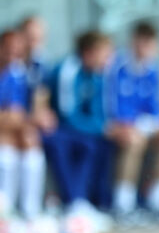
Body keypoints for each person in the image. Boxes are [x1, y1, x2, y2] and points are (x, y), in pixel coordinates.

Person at [107, 20, 159, 221]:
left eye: (150, 44)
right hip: (121, 125)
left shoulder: (154, 69)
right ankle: (123, 207)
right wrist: (129, 124)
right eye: (143, 43)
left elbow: (156, 107)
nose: (147, 48)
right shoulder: (118, 67)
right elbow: (114, 105)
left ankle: (158, 204)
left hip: (144, 124)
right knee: (134, 141)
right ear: (134, 42)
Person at [41, 30, 114, 212]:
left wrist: (105, 128)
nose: (108, 59)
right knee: (73, 144)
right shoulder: (68, 70)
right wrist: (103, 129)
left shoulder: (97, 74)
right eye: (104, 54)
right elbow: (67, 115)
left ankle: (99, 204)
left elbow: (97, 111)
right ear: (89, 52)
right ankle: (74, 202)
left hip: (82, 129)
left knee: (101, 145)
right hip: (60, 128)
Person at [0, 28, 46, 217]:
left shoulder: (19, 74)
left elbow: (22, 114)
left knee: (33, 156)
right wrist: (10, 122)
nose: (12, 53)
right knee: (5, 158)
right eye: (8, 48)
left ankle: (30, 213)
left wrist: (14, 123)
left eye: (17, 49)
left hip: (13, 134)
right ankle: (2, 215)